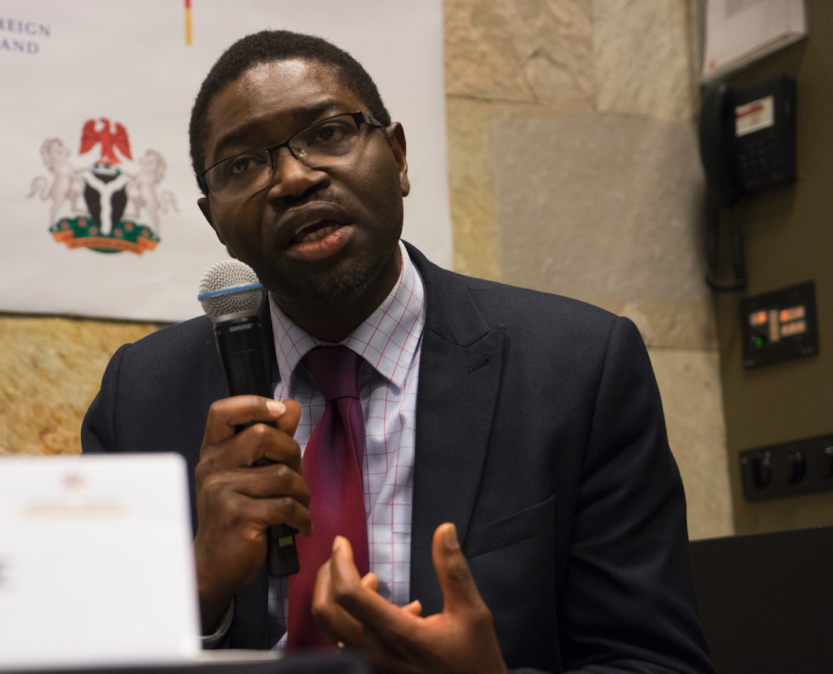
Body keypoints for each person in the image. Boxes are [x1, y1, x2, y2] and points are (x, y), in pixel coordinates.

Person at [82, 30, 714, 674]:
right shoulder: (142, 399)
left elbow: (655, 663)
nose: (295, 178)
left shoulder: (578, 368)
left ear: (399, 156)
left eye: (329, 132)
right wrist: (197, 592)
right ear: (214, 219)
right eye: (242, 164)